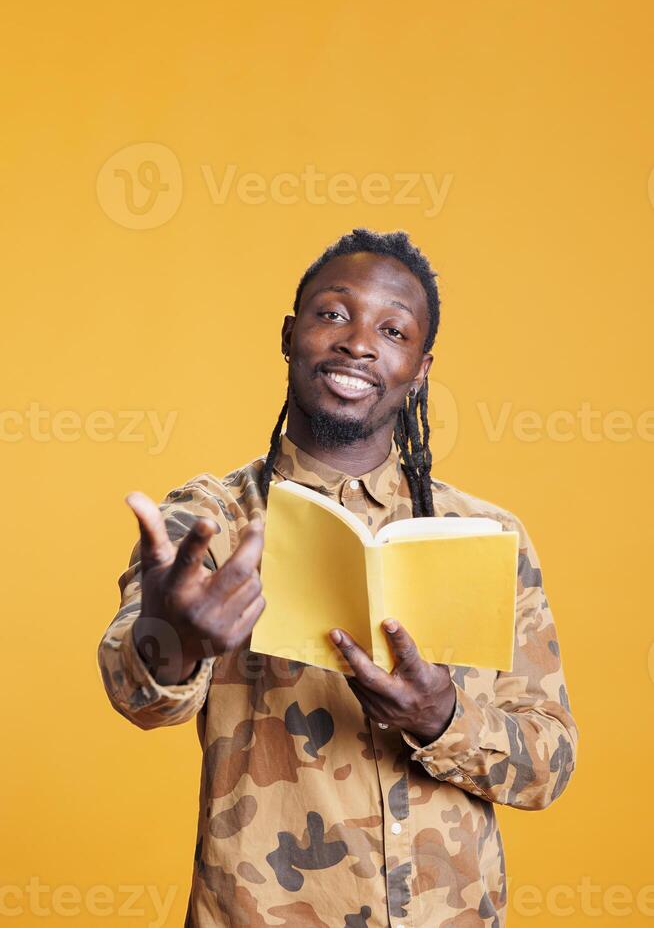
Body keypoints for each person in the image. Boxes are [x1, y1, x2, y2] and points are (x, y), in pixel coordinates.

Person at [98, 228, 578, 927]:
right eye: (332, 314)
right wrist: (174, 635)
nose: (358, 341)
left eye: (393, 329)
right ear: (290, 335)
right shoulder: (211, 519)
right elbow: (139, 699)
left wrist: (440, 717)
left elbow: (550, 763)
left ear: (420, 367)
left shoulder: (488, 537)